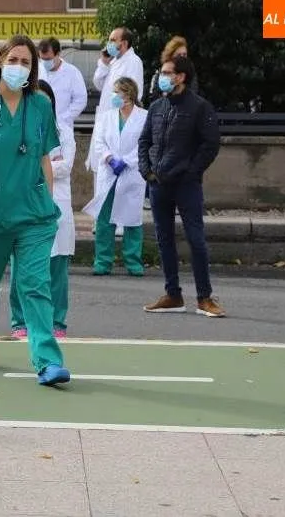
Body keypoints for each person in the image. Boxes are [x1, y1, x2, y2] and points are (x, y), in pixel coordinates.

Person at [0, 34, 70, 386]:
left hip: (34, 215)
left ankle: (48, 361)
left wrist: (48, 203)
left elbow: (45, 158)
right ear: (0, 61)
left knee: (35, 285)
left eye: (26, 62)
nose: (19, 67)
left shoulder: (39, 105)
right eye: (14, 59)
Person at [138, 56, 224, 318]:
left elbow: (210, 144)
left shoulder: (200, 107)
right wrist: (147, 172)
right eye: (161, 71)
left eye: (167, 72)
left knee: (196, 240)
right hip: (158, 185)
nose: (162, 76)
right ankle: (173, 294)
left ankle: (204, 297)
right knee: (164, 241)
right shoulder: (156, 107)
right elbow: (144, 141)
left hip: (186, 185)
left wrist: (191, 171)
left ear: (181, 77)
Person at [7, 80, 75, 341]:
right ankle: (20, 320)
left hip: (56, 201)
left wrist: (33, 164)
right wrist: (45, 164)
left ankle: (57, 320)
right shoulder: (16, 127)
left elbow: (64, 167)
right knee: (21, 264)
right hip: (23, 203)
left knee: (57, 265)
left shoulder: (64, 131)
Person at [83, 77, 148, 277]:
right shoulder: (106, 116)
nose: (114, 96)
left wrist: (126, 161)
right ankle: (102, 261)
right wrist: (110, 158)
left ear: (128, 95)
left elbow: (145, 144)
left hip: (132, 172)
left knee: (132, 220)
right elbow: (99, 142)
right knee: (104, 219)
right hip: (109, 172)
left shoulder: (144, 116)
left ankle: (133, 262)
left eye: (117, 92)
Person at [144, 36, 196, 210]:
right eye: (178, 54)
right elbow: (152, 99)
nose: (182, 57)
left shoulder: (189, 77)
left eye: (185, 54)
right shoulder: (159, 77)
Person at [148, 36, 197, 104]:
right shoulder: (159, 73)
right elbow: (153, 96)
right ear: (170, 55)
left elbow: (193, 94)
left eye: (184, 55)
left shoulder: (189, 74)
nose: (182, 58)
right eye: (179, 55)